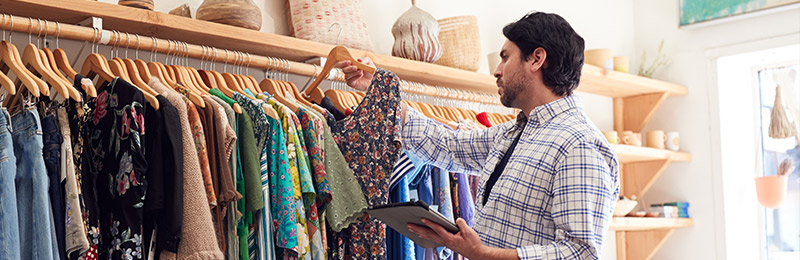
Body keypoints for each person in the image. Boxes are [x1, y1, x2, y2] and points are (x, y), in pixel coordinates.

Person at [338, 11, 619, 260]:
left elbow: (580, 253)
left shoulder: (579, 145)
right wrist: (381, 93)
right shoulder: (512, 134)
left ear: (537, 59)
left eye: (505, 58)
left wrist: (481, 254)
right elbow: (445, 145)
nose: (496, 71)